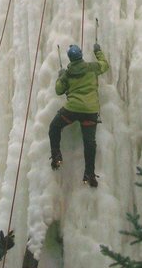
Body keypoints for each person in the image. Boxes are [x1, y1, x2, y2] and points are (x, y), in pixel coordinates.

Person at [48, 43, 109, 187]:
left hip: (72, 111)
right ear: (81, 54)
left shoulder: (68, 75)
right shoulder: (92, 68)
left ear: (70, 59)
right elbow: (105, 65)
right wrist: (98, 51)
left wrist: (60, 76)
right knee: (89, 143)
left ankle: (56, 155)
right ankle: (89, 173)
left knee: (54, 127)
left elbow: (58, 90)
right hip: (90, 112)